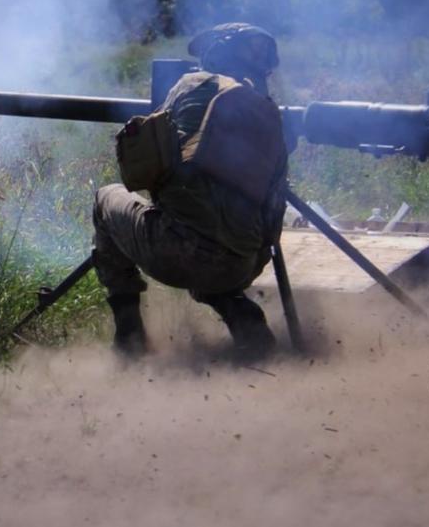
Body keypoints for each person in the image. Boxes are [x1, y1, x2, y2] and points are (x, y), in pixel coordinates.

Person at [92, 23, 288, 358]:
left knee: (105, 198)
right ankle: (241, 315)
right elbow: (274, 211)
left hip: (178, 253)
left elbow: (147, 168)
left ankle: (129, 336)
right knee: (213, 233)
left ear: (214, 53)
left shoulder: (191, 84)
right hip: (241, 265)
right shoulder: (266, 113)